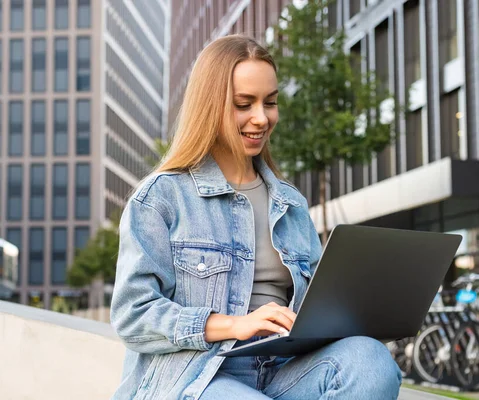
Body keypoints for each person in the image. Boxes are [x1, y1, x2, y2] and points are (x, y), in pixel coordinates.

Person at [110, 35, 402, 400]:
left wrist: (363, 310)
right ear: (210, 106)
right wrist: (237, 324)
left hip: (280, 371)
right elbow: (132, 315)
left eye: (271, 102)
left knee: (370, 360)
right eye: (244, 104)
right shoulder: (162, 197)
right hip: (197, 377)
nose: (262, 118)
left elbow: (315, 308)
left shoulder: (290, 203)